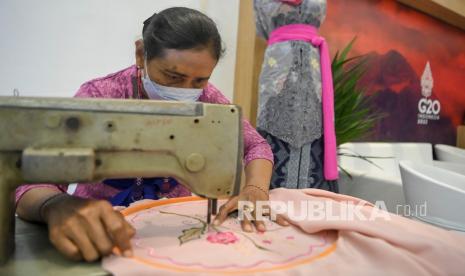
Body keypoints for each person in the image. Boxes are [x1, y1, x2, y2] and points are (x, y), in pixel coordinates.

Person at [15, 7, 287, 262]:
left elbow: (256, 146)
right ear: (140, 54)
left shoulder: (208, 100)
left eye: (200, 80)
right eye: (172, 76)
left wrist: (255, 188)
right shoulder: (100, 97)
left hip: (171, 229)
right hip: (100, 231)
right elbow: (29, 183)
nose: (186, 90)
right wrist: (56, 205)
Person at [253, 0, 339, 192]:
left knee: (315, 122)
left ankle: (312, 196)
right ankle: (266, 191)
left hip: (313, 64)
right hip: (279, 64)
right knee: (273, 120)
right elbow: (260, 28)